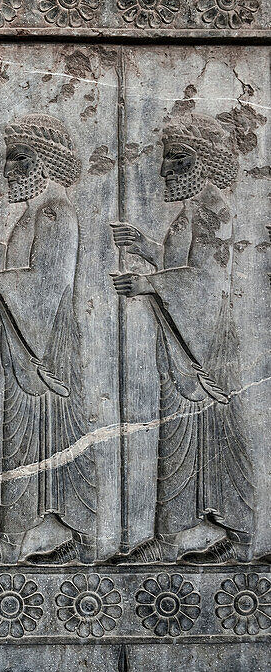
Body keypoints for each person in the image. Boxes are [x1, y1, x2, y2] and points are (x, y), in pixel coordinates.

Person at [0, 113, 97, 565]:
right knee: (22, 432)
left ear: (46, 161)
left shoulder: (55, 211)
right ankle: (20, 531)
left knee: (48, 430)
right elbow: (23, 265)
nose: (8, 170)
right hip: (28, 338)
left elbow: (45, 282)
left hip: (47, 339)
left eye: (19, 159)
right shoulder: (34, 215)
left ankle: (54, 528)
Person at [111, 112, 253, 564]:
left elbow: (205, 282)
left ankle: (222, 531)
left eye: (178, 159)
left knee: (208, 434)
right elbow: (183, 264)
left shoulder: (212, 210)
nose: (166, 170)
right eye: (165, 159)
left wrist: (149, 284)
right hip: (184, 340)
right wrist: (145, 248)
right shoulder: (193, 209)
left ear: (206, 162)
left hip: (204, 345)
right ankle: (178, 533)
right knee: (181, 437)